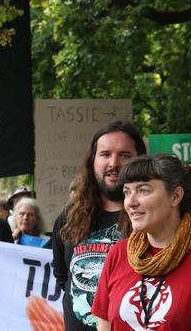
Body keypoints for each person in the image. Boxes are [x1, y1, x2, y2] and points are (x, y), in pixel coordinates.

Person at [92, 154, 191, 330]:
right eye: (126, 192)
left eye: (143, 190)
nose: (130, 202)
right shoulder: (118, 254)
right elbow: (104, 325)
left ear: (176, 196)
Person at [52, 121, 147, 331]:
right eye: (105, 154)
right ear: (93, 161)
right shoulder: (69, 217)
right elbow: (62, 277)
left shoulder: (151, 217)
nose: (114, 163)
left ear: (140, 161)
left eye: (125, 155)